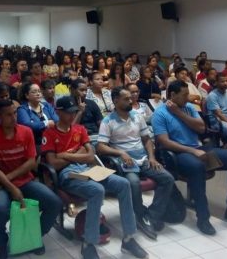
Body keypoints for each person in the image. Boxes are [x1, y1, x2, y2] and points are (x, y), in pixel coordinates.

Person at [42, 96, 148, 259]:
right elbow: (54, 164)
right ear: (58, 112)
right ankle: (88, 244)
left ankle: (128, 239)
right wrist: (78, 154)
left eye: (74, 112)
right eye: (68, 112)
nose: (72, 116)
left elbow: (91, 157)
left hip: (87, 168)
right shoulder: (49, 133)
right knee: (97, 190)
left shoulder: (79, 129)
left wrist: (66, 155)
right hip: (67, 174)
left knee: (123, 184)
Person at [153, 81, 227, 235]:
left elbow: (201, 128)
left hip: (198, 149)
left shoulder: (189, 108)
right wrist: (192, 151)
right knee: (197, 167)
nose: (188, 97)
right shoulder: (160, 113)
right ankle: (203, 218)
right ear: (172, 95)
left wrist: (179, 113)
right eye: (184, 95)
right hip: (178, 154)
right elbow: (164, 142)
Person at [0, 99, 62, 259]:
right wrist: (10, 187)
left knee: (54, 203)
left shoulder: (26, 132)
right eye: (8, 115)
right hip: (0, 183)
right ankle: (1, 244)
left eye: (15, 113)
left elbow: (31, 162)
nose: (14, 117)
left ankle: (33, 237)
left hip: (24, 181)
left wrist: (9, 181)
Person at [96, 87, 175, 240]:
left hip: (144, 159)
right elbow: (100, 146)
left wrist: (152, 157)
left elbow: (146, 139)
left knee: (167, 178)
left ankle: (150, 215)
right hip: (126, 163)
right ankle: (139, 215)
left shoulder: (137, 117)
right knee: (133, 183)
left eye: (130, 97)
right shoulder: (108, 121)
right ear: (116, 101)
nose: (131, 100)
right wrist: (120, 153)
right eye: (126, 99)